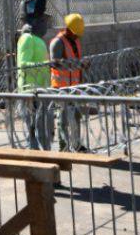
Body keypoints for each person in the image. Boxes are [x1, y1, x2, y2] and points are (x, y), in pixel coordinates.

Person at [15, 13, 53, 149]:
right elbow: (23, 64)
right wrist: (46, 64)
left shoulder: (38, 40)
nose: (45, 24)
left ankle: (44, 156)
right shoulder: (26, 39)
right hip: (29, 90)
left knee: (44, 129)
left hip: (42, 90)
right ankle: (34, 157)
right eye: (42, 20)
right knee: (33, 130)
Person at [50, 13, 86, 151]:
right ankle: (63, 146)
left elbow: (77, 62)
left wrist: (81, 68)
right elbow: (55, 64)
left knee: (76, 116)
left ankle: (76, 145)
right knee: (63, 119)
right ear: (69, 29)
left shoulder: (75, 41)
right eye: (76, 33)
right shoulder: (57, 43)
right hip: (61, 87)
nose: (78, 36)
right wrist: (77, 64)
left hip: (75, 87)